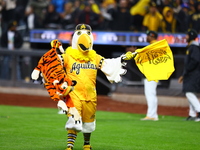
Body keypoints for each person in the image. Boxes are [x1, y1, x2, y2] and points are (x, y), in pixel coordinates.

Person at [178, 29, 200, 122]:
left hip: (194, 74)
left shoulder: (194, 47)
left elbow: (195, 60)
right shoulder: (191, 47)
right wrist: (184, 74)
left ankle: (199, 112)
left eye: (187, 35)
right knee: (191, 92)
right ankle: (192, 114)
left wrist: (187, 71)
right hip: (191, 73)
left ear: (191, 36)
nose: (185, 37)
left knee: (189, 92)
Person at [141, 30, 159, 121]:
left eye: (147, 36)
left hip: (151, 73)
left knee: (150, 94)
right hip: (154, 72)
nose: (146, 37)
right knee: (152, 94)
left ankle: (152, 115)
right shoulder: (155, 45)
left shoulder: (153, 46)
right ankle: (153, 115)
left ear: (152, 36)